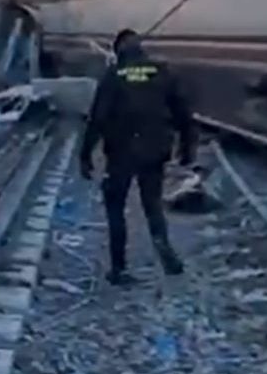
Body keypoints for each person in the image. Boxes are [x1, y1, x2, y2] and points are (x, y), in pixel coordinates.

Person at [78, 28, 196, 286]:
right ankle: (164, 249)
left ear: (119, 50)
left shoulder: (115, 75)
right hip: (155, 151)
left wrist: (85, 155)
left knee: (115, 207)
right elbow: (184, 115)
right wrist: (188, 149)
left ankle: (119, 268)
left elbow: (97, 118)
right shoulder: (162, 72)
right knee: (152, 204)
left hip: (121, 151)